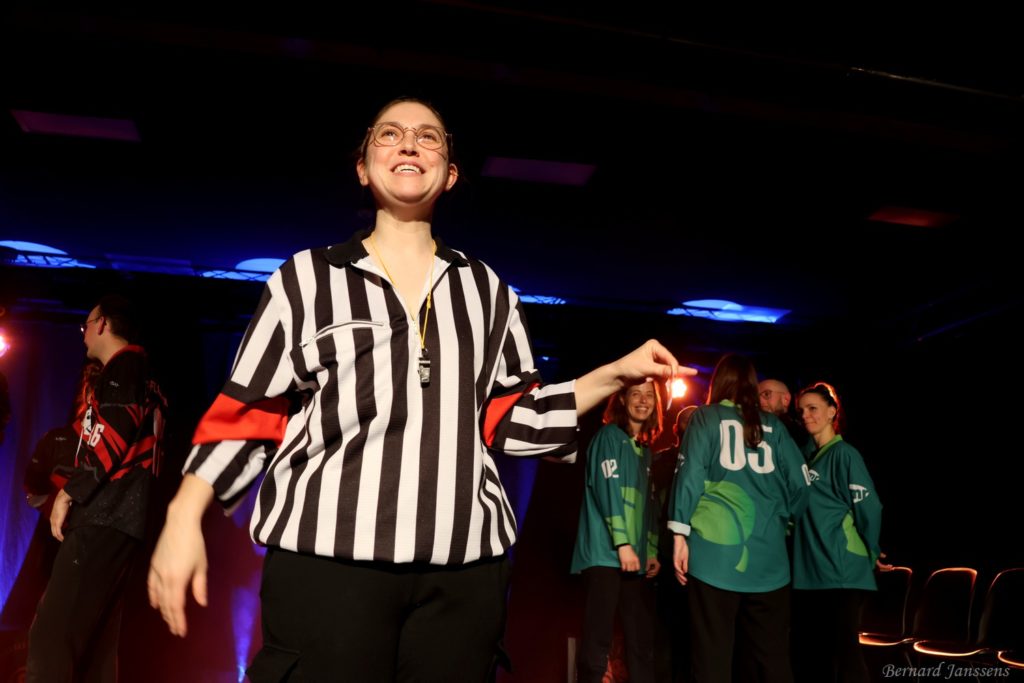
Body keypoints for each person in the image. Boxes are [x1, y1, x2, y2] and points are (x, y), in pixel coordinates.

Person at [146, 96, 694, 683]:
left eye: (428, 136)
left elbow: (513, 418)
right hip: (329, 567)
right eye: (389, 134)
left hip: (462, 577)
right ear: (363, 167)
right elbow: (248, 411)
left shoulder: (489, 292)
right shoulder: (306, 279)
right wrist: (183, 517)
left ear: (450, 174)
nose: (409, 143)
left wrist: (614, 374)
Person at [26, 295, 166, 683]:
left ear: (102, 323)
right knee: (96, 649)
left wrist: (69, 493)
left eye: (85, 325)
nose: (83, 334)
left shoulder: (126, 365)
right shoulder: (145, 374)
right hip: (124, 520)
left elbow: (115, 434)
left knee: (51, 636)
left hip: (104, 516)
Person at [668, 354, 809, 683]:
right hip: (770, 562)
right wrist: (786, 522)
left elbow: (689, 477)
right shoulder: (775, 426)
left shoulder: (705, 418)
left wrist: (679, 534)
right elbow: (802, 485)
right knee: (772, 660)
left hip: (713, 557)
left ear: (718, 382)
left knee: (711, 659)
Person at [571, 381, 663, 683]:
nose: (643, 401)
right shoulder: (608, 436)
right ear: (622, 400)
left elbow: (649, 505)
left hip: (634, 559)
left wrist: (650, 550)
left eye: (649, 395)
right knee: (598, 637)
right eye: (635, 394)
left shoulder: (643, 450)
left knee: (640, 637)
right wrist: (622, 543)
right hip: (604, 554)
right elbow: (606, 490)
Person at [791, 382, 882, 683]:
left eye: (813, 408)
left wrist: (871, 550)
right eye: (801, 410)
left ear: (832, 412)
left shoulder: (844, 454)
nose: (805, 415)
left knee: (845, 656)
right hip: (810, 572)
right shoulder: (806, 457)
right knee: (813, 656)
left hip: (840, 570)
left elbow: (870, 507)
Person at [652, 405, 697, 683]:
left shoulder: (711, 461)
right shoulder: (661, 461)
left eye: (697, 420)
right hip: (666, 555)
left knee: (696, 633)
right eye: (687, 421)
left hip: (702, 559)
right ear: (676, 428)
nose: (692, 425)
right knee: (667, 630)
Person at [759, 378, 807, 449]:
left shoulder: (801, 433)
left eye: (766, 394)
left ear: (786, 399)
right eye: (756, 397)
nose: (760, 401)